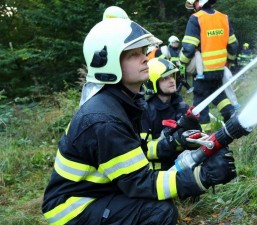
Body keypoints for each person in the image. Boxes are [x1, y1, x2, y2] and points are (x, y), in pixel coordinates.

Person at [41, 18, 237, 225]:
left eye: (143, 52)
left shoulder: (123, 104)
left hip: (100, 191)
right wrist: (201, 177)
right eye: (134, 55)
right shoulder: (105, 119)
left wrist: (176, 141)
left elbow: (136, 161)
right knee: (158, 211)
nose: (145, 59)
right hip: (72, 208)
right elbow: (140, 182)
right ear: (108, 62)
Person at [180, 0, 239, 132]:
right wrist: (228, 61)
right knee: (218, 95)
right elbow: (233, 45)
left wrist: (182, 62)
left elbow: (189, 48)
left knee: (201, 101)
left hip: (202, 71)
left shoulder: (196, 19)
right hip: (219, 69)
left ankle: (204, 132)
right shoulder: (223, 17)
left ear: (197, 3)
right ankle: (231, 118)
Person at [141, 58, 201, 171]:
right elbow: (142, 151)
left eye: (172, 76)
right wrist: (172, 142)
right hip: (157, 173)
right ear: (152, 83)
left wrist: (193, 128)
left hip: (183, 167)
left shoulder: (182, 106)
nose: (172, 81)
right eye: (165, 78)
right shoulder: (145, 112)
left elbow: (196, 144)